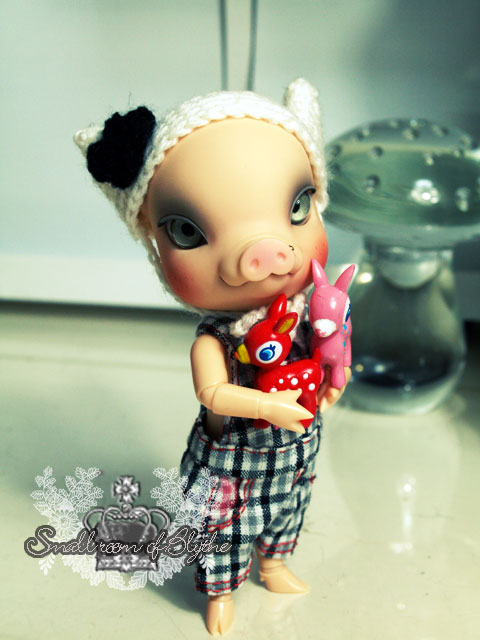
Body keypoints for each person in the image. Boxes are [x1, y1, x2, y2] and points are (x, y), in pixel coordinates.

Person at [75, 78, 351, 635]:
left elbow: (333, 349)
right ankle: (221, 591)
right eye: (189, 232)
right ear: (156, 244)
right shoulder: (216, 340)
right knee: (222, 528)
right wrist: (266, 406)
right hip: (231, 461)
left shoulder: (310, 311)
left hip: (296, 449)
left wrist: (334, 377)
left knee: (291, 506)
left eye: (297, 208)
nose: (265, 255)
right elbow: (212, 392)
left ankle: (274, 563)